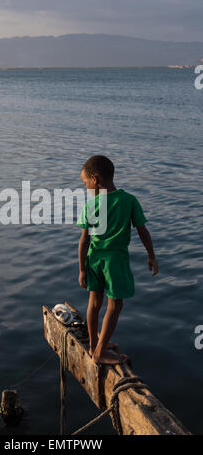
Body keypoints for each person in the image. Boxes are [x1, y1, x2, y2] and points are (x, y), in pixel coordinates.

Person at [77, 155, 158, 365]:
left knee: (94, 302)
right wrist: (151, 256)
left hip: (93, 259)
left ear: (95, 179)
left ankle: (96, 343)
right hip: (116, 261)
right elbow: (143, 232)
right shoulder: (129, 200)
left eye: (85, 183)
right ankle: (100, 351)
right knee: (115, 305)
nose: (86, 187)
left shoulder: (91, 205)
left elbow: (84, 241)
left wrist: (82, 270)